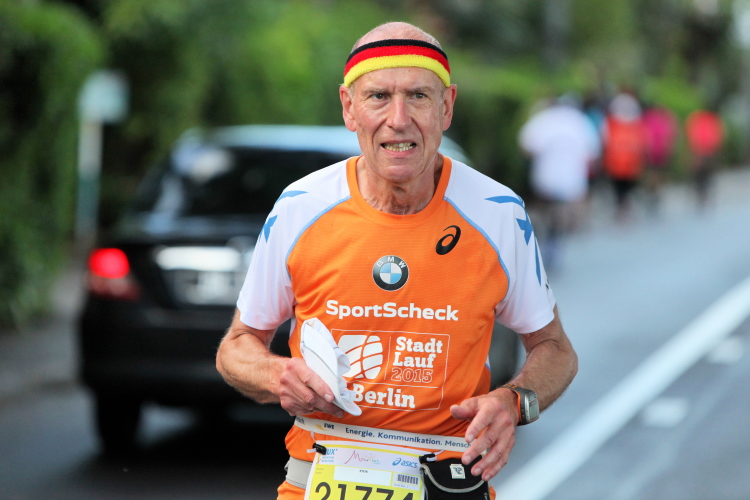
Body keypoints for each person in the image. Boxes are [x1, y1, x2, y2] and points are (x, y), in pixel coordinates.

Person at [216, 22, 577, 499]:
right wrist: (276, 375)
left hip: (449, 483)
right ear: (349, 107)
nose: (399, 119)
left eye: (418, 97)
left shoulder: (497, 213)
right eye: (379, 97)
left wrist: (514, 403)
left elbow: (556, 351)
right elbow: (236, 346)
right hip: (317, 477)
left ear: (447, 107)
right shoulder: (300, 207)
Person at [519, 94, 600, 271]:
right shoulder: (580, 121)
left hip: (545, 176)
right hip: (571, 178)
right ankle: (553, 240)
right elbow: (592, 151)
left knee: (547, 210)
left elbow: (527, 145)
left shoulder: (544, 119)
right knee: (560, 213)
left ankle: (547, 240)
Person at [602, 91, 647, 221]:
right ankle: (623, 208)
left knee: (622, 189)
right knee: (622, 189)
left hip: (623, 164)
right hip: (620, 164)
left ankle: (623, 209)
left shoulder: (614, 124)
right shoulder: (614, 124)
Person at [685, 108, 724, 208]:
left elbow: (692, 135)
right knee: (706, 174)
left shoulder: (696, 119)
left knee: (699, 174)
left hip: (700, 152)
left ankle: (701, 193)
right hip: (709, 151)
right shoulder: (712, 120)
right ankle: (704, 193)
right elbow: (718, 135)